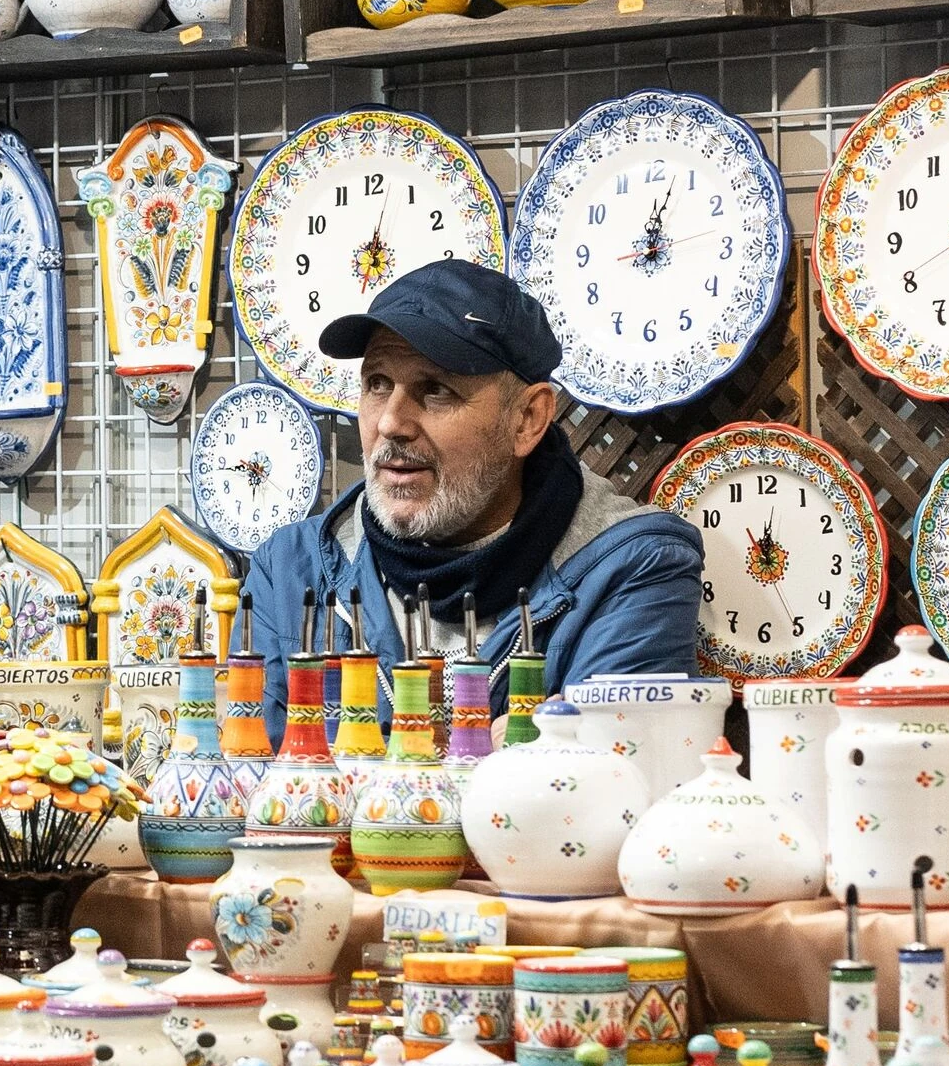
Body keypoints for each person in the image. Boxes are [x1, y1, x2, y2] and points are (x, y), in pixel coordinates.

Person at [242, 258, 702, 729]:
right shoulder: (291, 570)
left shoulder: (635, 568)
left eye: (436, 390)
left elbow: (603, 785)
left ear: (527, 420)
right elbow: (254, 785)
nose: (390, 423)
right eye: (377, 384)